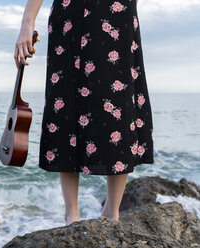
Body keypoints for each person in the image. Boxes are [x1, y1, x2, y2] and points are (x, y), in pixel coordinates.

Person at [14, 0, 154, 225]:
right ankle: (71, 215)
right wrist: (26, 24)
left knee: (118, 104)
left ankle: (112, 213)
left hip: (119, 15)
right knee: (66, 103)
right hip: (71, 14)